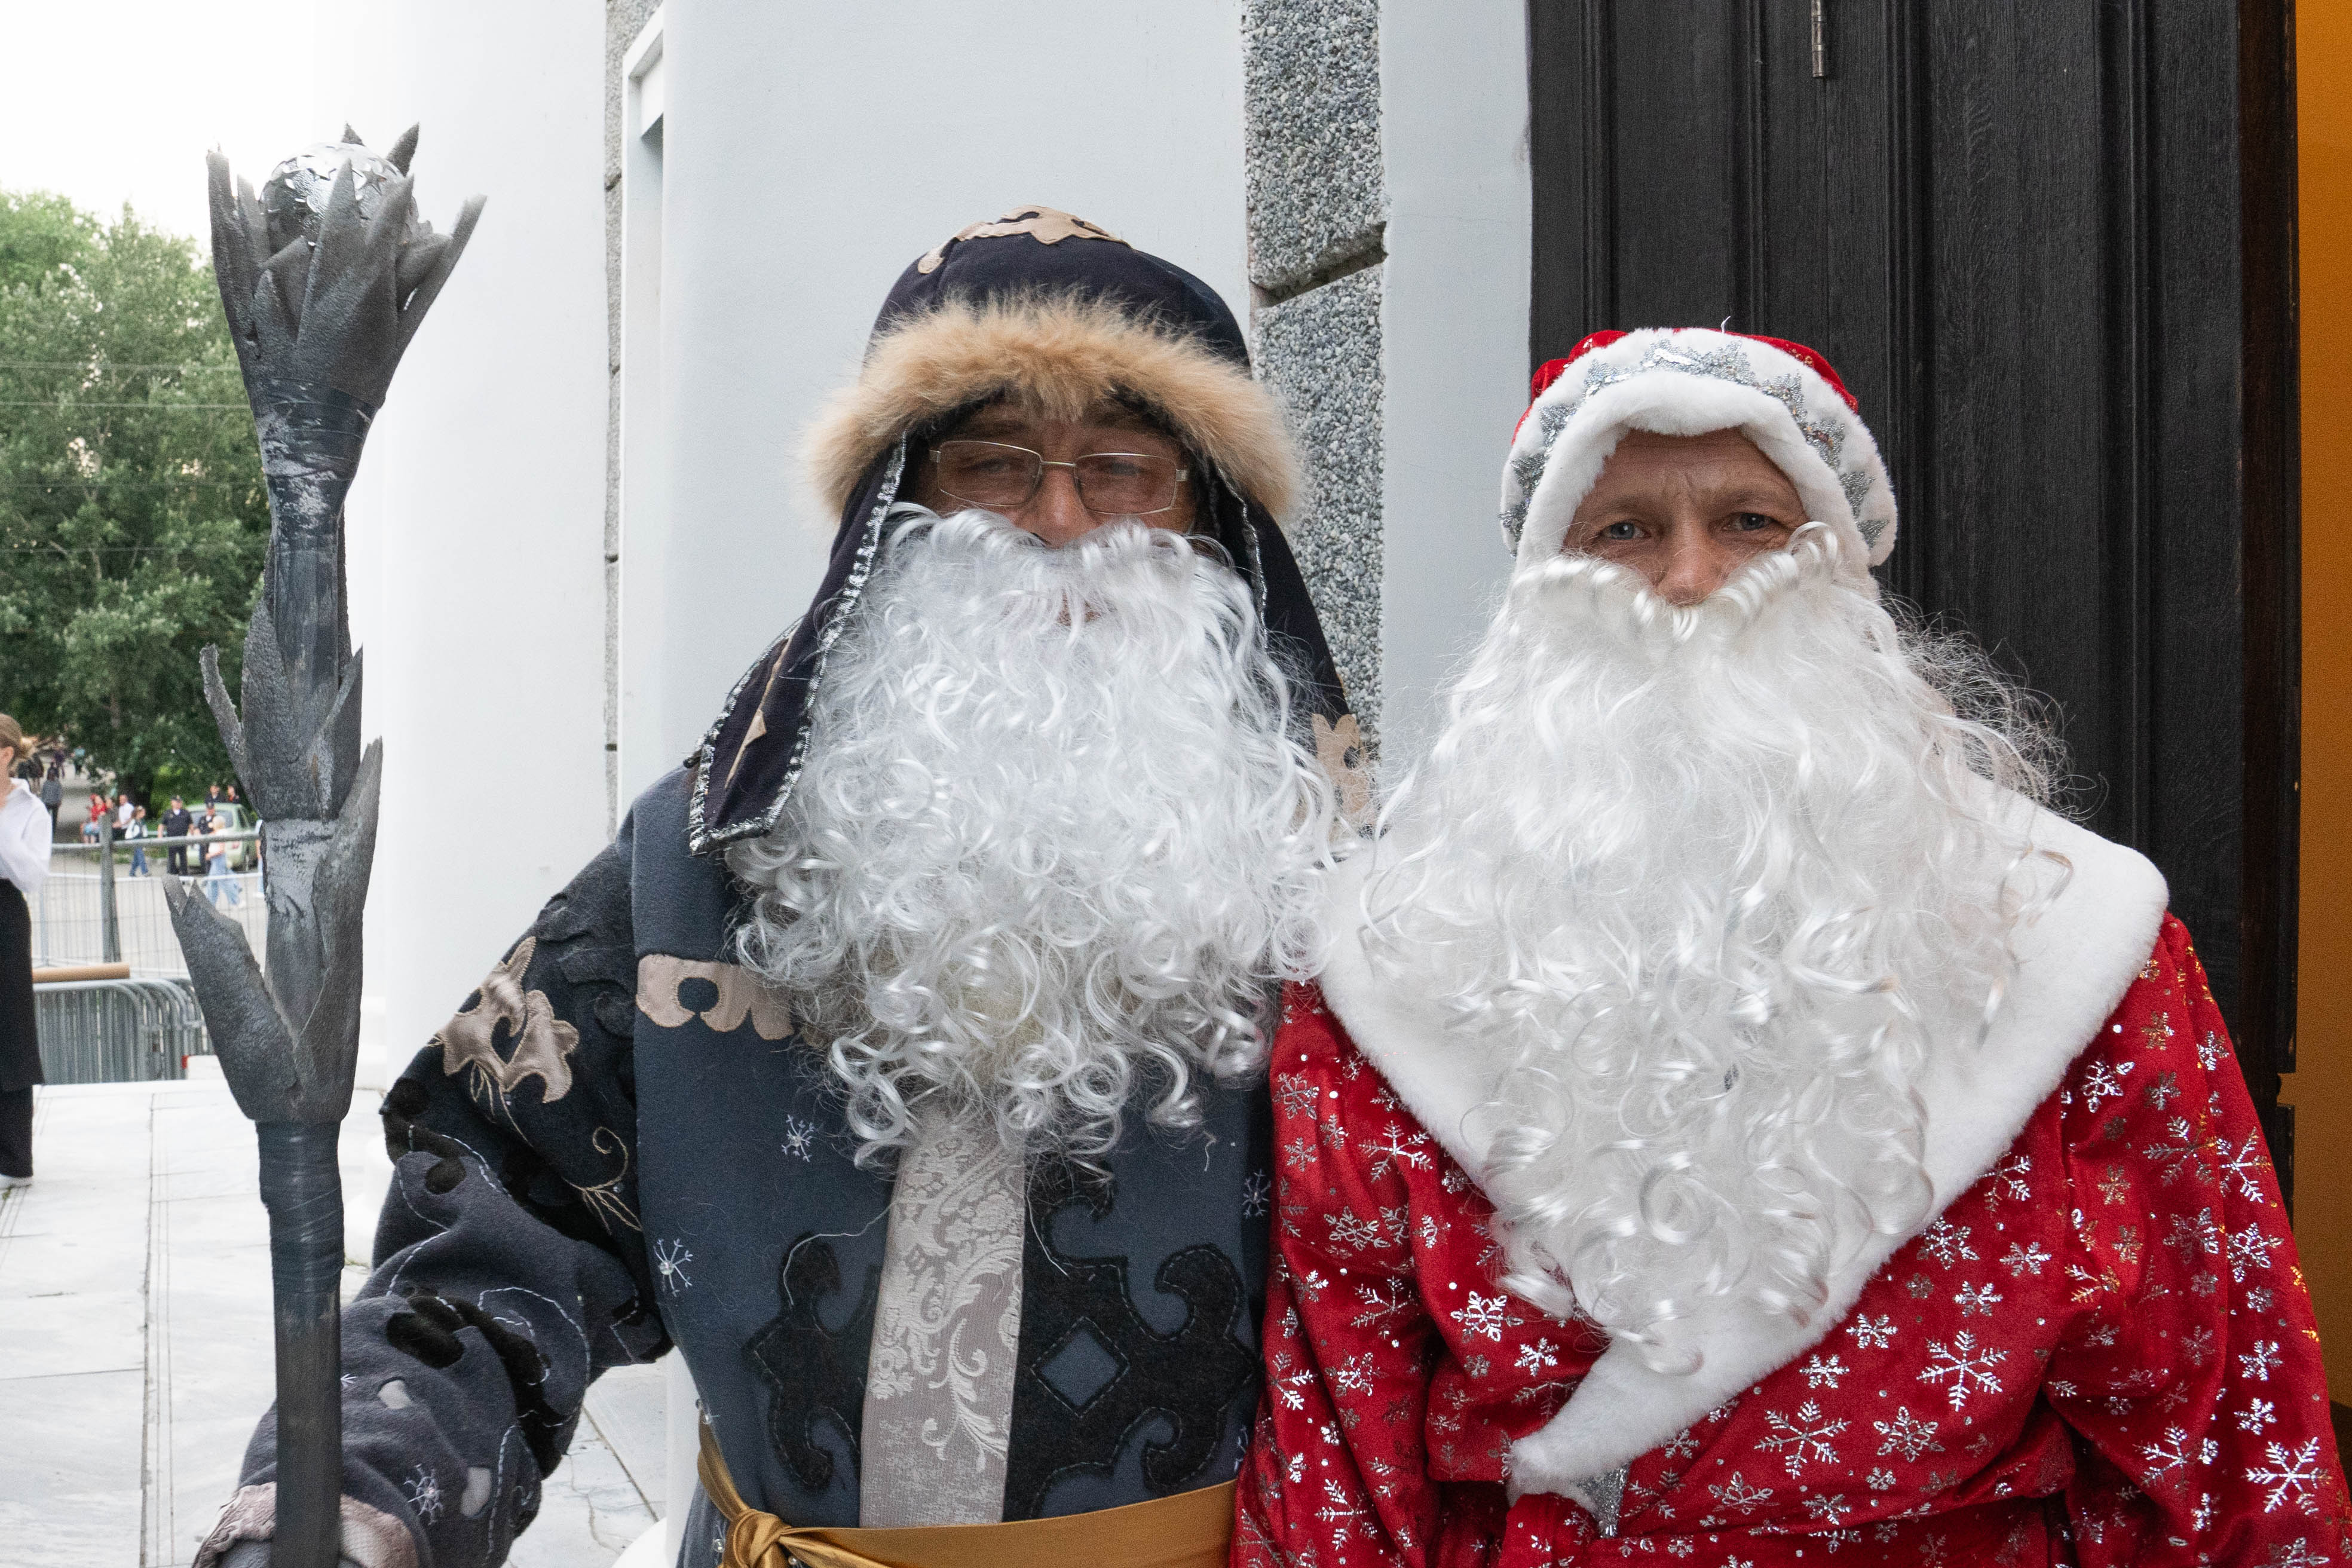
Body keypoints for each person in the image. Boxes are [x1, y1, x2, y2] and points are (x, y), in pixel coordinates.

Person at [197, 207, 1359, 1568]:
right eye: (990, 465)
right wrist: (352, 1496)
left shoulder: (1338, 907)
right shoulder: (687, 869)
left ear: (1211, 526)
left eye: (1120, 469)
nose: (1057, 521)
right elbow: (483, 1253)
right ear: (891, 519)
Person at [1236, 328, 2351, 1565]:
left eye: (1751, 522)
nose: (1691, 579)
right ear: (1543, 584)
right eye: (1625, 532)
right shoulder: (1397, 953)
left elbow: (2220, 1413)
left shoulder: (2069, 937)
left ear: (1835, 562)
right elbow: (1340, 1426)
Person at [0, 714, 48, 1192]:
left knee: (10, 1031)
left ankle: (13, 1158)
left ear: (6, 754)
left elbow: (31, 876)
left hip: (5, 917)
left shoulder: (30, 810)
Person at [201, 811, 241, 908]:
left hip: (218, 859)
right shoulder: (222, 832)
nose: (212, 826)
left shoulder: (220, 834)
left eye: (214, 824)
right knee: (212, 882)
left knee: (223, 882)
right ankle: (210, 904)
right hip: (218, 860)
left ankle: (236, 902)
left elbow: (221, 849)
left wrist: (210, 855)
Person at [163, 797, 192, 876]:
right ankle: (171, 875)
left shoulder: (186, 813)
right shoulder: (168, 813)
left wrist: (193, 835)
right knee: (172, 859)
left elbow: (191, 825)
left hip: (183, 839)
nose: (178, 804)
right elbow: (162, 825)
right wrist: (160, 837)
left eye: (180, 802)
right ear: (172, 803)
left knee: (183, 858)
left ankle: (184, 876)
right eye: (176, 802)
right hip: (171, 839)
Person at [127, 806, 151, 877]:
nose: (144, 814)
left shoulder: (142, 822)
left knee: (136, 858)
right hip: (135, 840)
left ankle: (132, 872)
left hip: (141, 839)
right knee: (141, 855)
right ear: (138, 813)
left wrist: (146, 838)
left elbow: (144, 831)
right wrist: (130, 840)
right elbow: (129, 831)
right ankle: (145, 871)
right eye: (143, 812)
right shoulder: (133, 822)